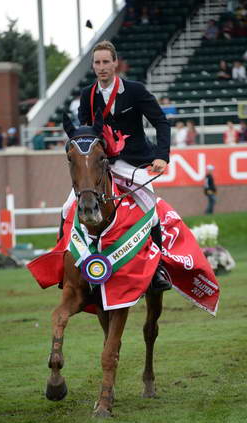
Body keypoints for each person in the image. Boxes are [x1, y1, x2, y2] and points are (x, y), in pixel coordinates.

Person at [64, 40, 172, 292]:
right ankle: (66, 264)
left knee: (151, 210)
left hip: (131, 161)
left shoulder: (135, 91)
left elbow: (161, 122)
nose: (102, 67)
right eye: (97, 63)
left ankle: (159, 268)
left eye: (106, 62)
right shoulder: (86, 95)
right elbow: (84, 135)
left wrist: (162, 156)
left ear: (115, 64)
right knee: (66, 208)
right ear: (93, 66)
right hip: (100, 165)